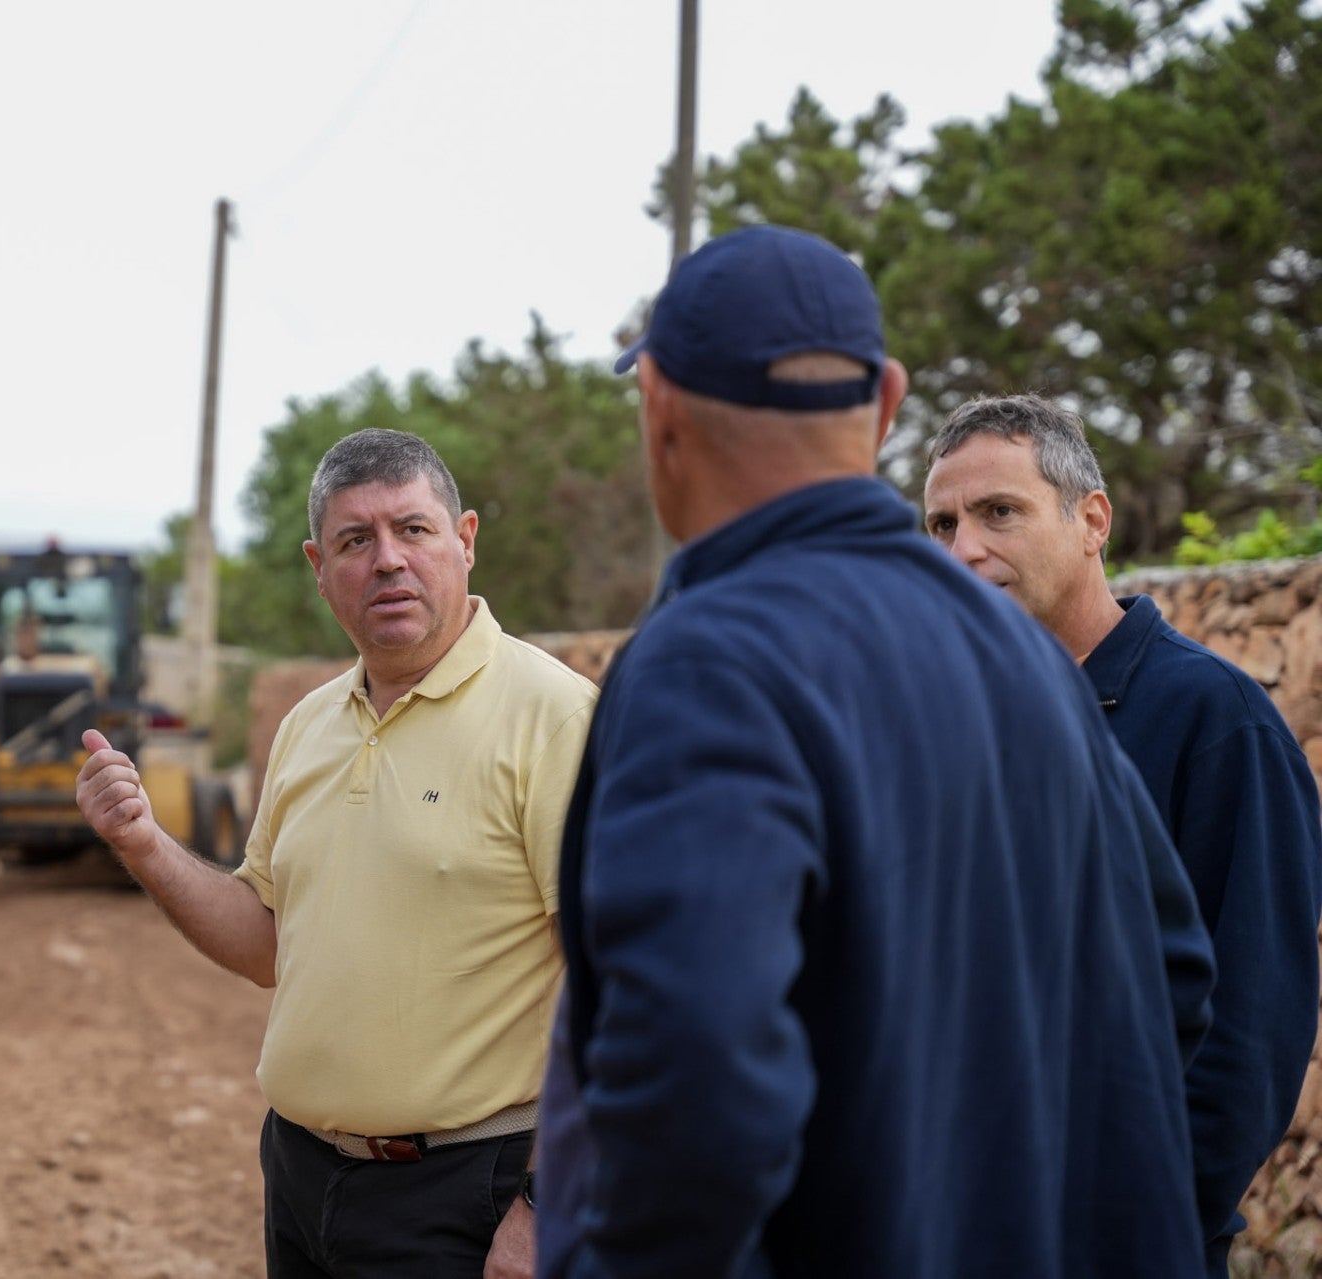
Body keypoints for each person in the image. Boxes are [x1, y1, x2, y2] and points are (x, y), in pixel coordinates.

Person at [535, 224, 1216, 1279]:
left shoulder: (707, 661)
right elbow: (1171, 973)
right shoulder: (1027, 659)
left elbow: (696, 1088)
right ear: (888, 402)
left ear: (659, 405)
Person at [77, 428, 596, 1278]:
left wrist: (547, 1203)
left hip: (470, 1193)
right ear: (320, 568)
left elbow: (615, 982)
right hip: (300, 1174)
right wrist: (143, 842)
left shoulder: (558, 720)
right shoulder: (307, 725)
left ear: (465, 539)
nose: (388, 560)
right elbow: (265, 944)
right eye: (356, 540)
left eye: (413, 529)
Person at [923, 392, 1322, 1276]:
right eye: (942, 524)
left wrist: (1123, 1223)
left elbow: (1251, 1041)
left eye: (998, 512)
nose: (963, 550)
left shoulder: (1218, 723)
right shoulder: (948, 726)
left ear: (1092, 521)